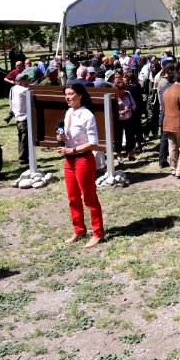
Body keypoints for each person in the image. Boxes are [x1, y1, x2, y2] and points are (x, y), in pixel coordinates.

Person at [56, 84, 104, 248]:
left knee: (89, 198)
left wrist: (74, 149)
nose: (67, 97)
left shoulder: (87, 115)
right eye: (66, 95)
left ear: (80, 95)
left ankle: (98, 233)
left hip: (83, 159)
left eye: (71, 94)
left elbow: (93, 143)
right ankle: (79, 229)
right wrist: (62, 138)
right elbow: (69, 137)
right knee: (73, 197)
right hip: (69, 160)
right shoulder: (69, 112)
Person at [9, 72, 31, 165]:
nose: (28, 82)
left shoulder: (13, 88)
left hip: (18, 116)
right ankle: (23, 158)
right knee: (24, 139)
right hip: (24, 117)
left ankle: (22, 156)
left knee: (21, 137)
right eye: (27, 80)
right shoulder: (24, 90)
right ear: (22, 81)